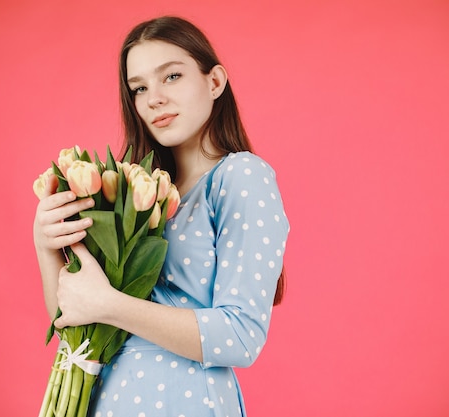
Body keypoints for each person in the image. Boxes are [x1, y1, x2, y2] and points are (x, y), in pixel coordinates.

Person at [33, 16, 289, 417]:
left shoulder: (240, 176)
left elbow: (240, 337)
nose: (154, 98)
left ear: (215, 82)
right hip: (104, 401)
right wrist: (46, 244)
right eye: (139, 88)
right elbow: (77, 327)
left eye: (171, 76)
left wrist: (110, 304)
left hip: (183, 402)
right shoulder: (134, 193)